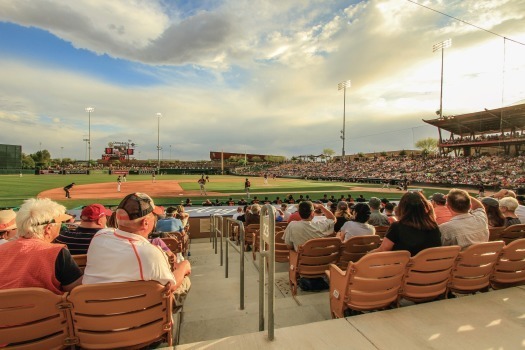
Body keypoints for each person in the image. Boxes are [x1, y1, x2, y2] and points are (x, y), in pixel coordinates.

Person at [83, 193, 191, 305]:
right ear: (145, 223)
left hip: (91, 313)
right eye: (154, 216)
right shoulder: (150, 252)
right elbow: (171, 286)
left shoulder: (99, 236)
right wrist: (184, 266)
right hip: (138, 316)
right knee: (184, 280)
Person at [0, 198, 83, 294]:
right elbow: (77, 291)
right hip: (46, 308)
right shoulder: (56, 252)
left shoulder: (2, 249)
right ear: (48, 228)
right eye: (60, 223)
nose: (60, 226)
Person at [371, 191, 441, 256]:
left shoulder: (397, 227)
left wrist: (366, 255)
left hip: (405, 267)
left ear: (403, 207)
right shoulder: (434, 226)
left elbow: (383, 250)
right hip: (430, 267)